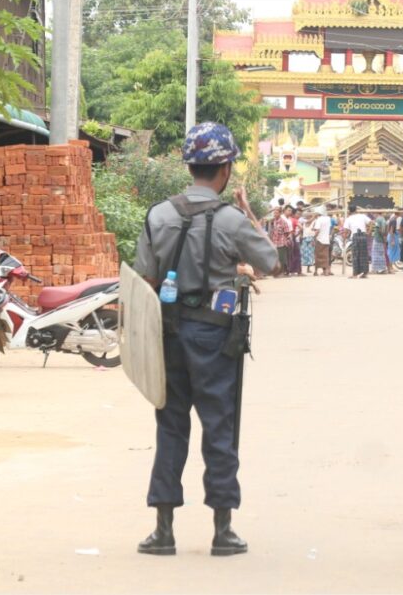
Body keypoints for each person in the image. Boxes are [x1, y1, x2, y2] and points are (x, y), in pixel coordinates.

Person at [134, 122, 279, 557]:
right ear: (225, 169)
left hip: (169, 334)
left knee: (170, 427)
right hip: (216, 337)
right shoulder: (232, 220)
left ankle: (162, 530)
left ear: (190, 165)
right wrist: (248, 212)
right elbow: (269, 261)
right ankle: (223, 530)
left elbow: (145, 279)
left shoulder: (159, 214)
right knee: (220, 428)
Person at [344, 204, 371, 279]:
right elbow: (371, 222)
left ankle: (355, 274)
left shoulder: (348, 219)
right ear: (356, 210)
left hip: (355, 236)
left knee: (355, 255)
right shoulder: (362, 216)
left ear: (349, 211)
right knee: (364, 255)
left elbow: (345, 230)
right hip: (363, 236)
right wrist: (368, 231)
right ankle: (364, 273)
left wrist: (345, 237)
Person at [269, 205, 292, 277]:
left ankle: (281, 272)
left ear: (280, 213)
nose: (275, 214)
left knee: (281, 259)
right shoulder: (274, 221)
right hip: (274, 243)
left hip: (281, 243)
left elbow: (287, 233)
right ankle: (276, 272)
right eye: (274, 213)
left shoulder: (283, 222)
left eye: (276, 213)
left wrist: (286, 240)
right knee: (275, 258)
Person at [311, 207, 333, 276]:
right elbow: (329, 228)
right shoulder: (328, 219)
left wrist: (313, 237)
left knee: (317, 256)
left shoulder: (319, 219)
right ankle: (326, 271)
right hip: (326, 240)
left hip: (319, 239)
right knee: (326, 256)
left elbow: (318, 230)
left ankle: (316, 271)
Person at [287, 208, 303, 276]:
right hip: (293, 237)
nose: (299, 215)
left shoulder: (288, 219)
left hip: (287, 237)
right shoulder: (295, 220)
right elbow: (301, 228)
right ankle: (298, 271)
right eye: (298, 214)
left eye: (300, 214)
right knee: (297, 254)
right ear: (294, 214)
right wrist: (297, 235)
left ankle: (291, 270)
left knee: (290, 254)